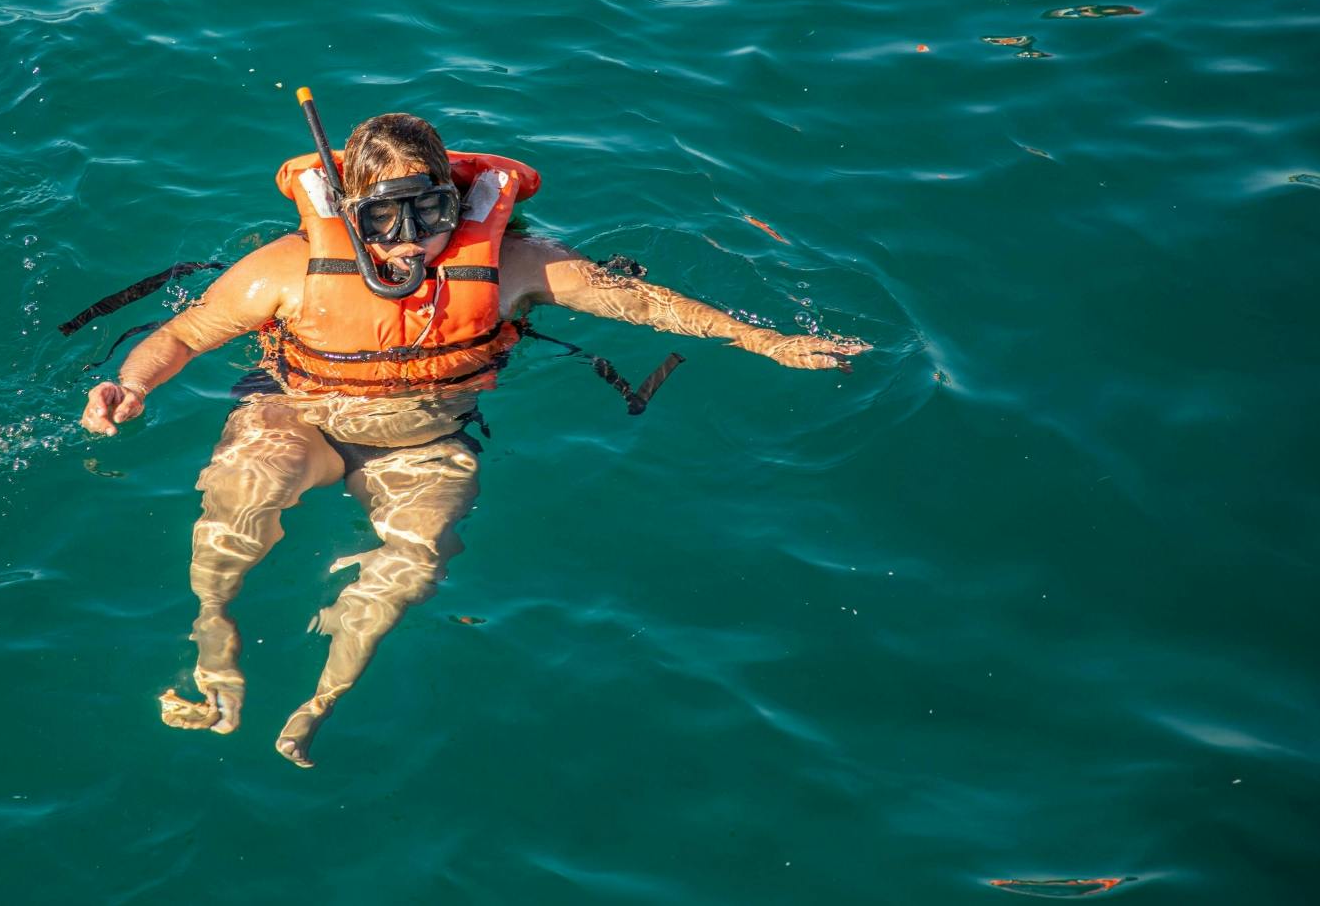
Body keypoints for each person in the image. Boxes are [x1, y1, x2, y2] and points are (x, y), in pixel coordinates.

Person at [78, 98, 869, 767]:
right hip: (298, 412)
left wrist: (766, 339)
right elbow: (185, 333)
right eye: (383, 218)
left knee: (418, 562)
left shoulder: (515, 263)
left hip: (425, 440)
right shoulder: (285, 267)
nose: (408, 241)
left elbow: (644, 302)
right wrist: (132, 383)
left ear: (456, 206)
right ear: (350, 212)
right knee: (242, 498)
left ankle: (327, 689)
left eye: (430, 213)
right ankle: (214, 632)